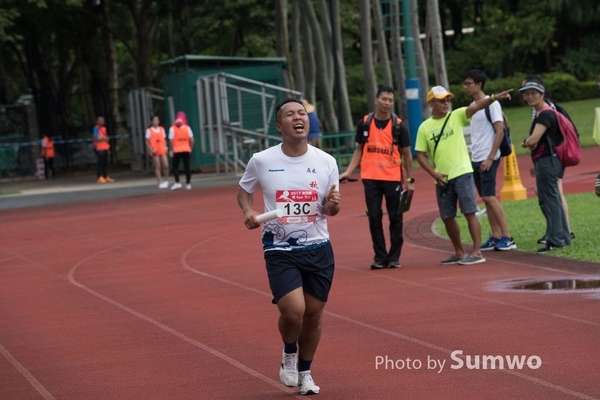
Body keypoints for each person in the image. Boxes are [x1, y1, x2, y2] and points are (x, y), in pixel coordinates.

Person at [237, 98, 341, 395]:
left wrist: (333, 206)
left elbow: (331, 209)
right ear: (279, 125)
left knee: (314, 315)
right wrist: (247, 211)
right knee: (294, 311)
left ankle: (306, 372)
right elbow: (244, 191)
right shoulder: (262, 160)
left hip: (318, 246)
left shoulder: (326, 162)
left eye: (302, 113)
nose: (298, 118)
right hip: (279, 247)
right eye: (290, 114)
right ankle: (288, 353)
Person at [415, 86, 513, 265]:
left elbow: (477, 106)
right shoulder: (424, 127)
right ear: (431, 104)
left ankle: (476, 252)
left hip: (463, 172)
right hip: (442, 178)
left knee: (469, 212)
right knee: (447, 216)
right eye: (441, 100)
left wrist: (493, 97)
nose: (446, 103)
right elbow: (420, 155)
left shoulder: (456, 115)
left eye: (447, 100)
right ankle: (459, 252)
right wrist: (434, 173)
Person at [339, 86, 414, 269]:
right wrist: (349, 171)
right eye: (384, 99)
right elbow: (359, 149)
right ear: (376, 100)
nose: (387, 103)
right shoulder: (365, 123)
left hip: (393, 178)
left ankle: (394, 257)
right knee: (374, 217)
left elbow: (407, 154)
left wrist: (410, 180)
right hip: (370, 178)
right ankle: (380, 257)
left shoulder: (399, 126)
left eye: (390, 100)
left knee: (396, 218)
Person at [462, 69, 516, 251]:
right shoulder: (474, 105)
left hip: (488, 157)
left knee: (489, 196)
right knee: (486, 198)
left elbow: (499, 131)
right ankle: (495, 235)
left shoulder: (492, 105)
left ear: (479, 84)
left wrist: (490, 157)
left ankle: (507, 237)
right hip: (477, 157)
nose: (465, 87)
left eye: (468, 84)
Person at [520, 81, 571, 252]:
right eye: (526, 94)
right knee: (554, 198)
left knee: (548, 199)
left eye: (533, 93)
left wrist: (526, 142)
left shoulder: (544, 115)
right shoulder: (548, 112)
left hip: (547, 160)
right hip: (550, 159)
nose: (529, 96)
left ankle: (556, 239)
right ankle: (562, 236)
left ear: (543, 94)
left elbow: (533, 140)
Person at [168, 111, 194, 190]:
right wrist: (190, 148)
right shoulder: (187, 128)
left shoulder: (172, 128)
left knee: (175, 166)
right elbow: (192, 139)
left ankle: (177, 182)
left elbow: (171, 140)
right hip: (186, 149)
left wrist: (171, 150)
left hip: (177, 150)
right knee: (187, 167)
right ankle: (188, 184)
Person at [146, 115, 169, 189]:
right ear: (152, 122)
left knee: (166, 165)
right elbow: (147, 141)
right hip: (155, 150)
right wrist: (151, 149)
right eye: (154, 120)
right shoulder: (149, 130)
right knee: (157, 166)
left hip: (162, 148)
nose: (156, 121)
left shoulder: (162, 129)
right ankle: (159, 182)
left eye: (157, 120)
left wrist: (166, 146)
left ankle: (166, 180)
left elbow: (164, 139)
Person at [93, 116, 114, 184]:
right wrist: (103, 138)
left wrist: (108, 148)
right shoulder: (96, 129)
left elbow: (106, 139)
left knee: (105, 163)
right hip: (99, 148)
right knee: (100, 163)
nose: (102, 122)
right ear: (98, 121)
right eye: (101, 120)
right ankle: (99, 177)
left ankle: (105, 176)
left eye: (103, 120)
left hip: (105, 147)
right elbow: (96, 138)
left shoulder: (104, 129)